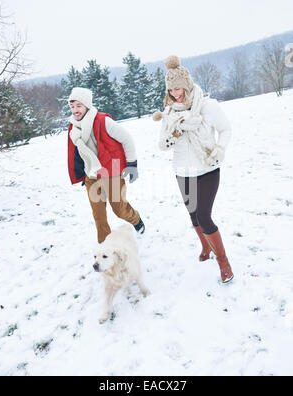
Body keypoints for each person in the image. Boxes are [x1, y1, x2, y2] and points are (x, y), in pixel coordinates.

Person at [153, 56, 234, 283]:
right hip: (183, 171)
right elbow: (162, 143)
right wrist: (172, 134)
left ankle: (223, 262)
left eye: (178, 89)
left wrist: (220, 147)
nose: (175, 94)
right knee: (193, 215)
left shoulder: (207, 106)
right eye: (171, 91)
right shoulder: (169, 113)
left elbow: (226, 130)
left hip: (208, 168)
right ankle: (205, 247)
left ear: (187, 85)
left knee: (204, 216)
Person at [67, 87, 145, 244]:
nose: (75, 110)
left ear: (87, 105)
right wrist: (82, 174)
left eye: (79, 106)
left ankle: (136, 220)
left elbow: (127, 139)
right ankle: (105, 247)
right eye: (72, 106)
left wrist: (132, 164)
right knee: (99, 215)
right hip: (92, 175)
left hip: (112, 171)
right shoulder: (74, 127)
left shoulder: (103, 121)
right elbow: (77, 154)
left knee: (120, 210)